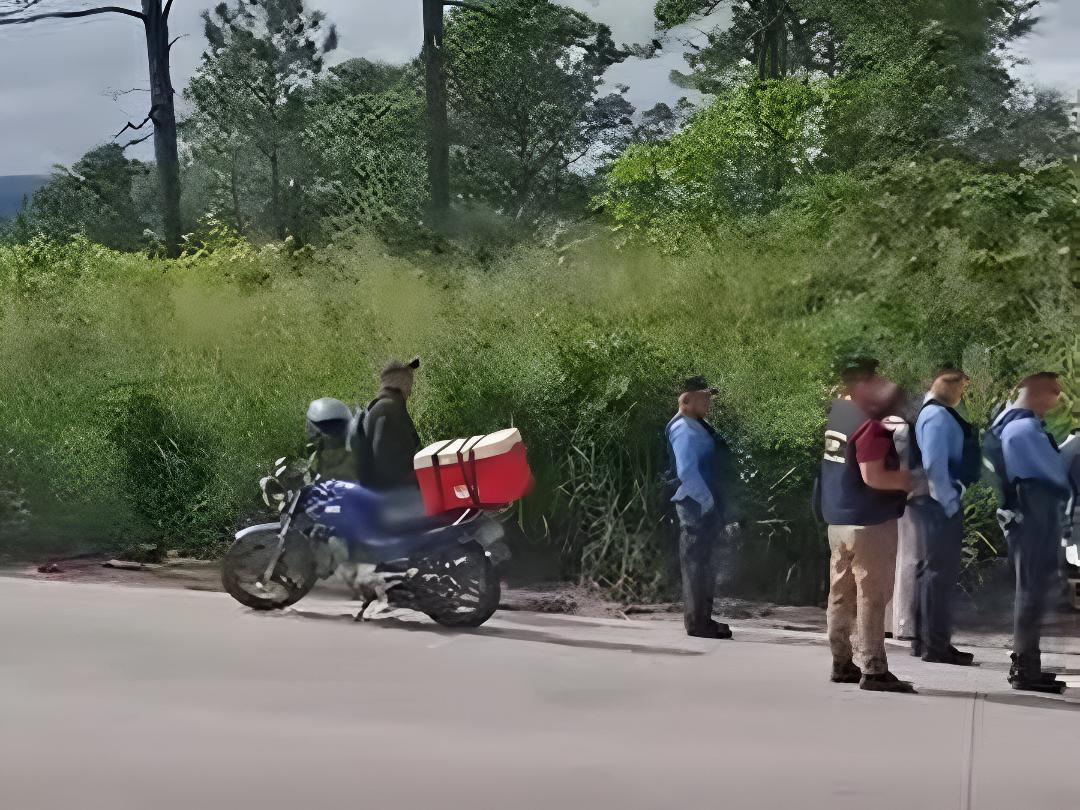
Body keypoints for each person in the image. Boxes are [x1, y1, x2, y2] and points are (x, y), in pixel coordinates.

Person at [819, 359, 915, 692]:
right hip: (869, 522)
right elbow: (873, 475)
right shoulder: (869, 424)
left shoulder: (838, 415)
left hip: (838, 519)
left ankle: (841, 662)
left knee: (840, 593)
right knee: (872, 595)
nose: (883, 384)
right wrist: (912, 481)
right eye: (876, 379)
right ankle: (874, 669)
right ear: (863, 384)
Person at [987, 372, 1072, 694]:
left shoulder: (1013, 423)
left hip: (1026, 516)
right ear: (1036, 391)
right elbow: (1053, 474)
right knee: (1030, 593)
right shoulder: (1022, 428)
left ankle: (1027, 664)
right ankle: (1025, 668)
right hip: (1031, 517)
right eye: (1053, 391)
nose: (1056, 399)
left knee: (1031, 592)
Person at [909, 368, 981, 665]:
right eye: (961, 388)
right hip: (939, 505)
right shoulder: (937, 416)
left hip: (931, 503)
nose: (962, 395)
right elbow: (935, 465)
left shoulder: (933, 413)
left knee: (929, 573)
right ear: (947, 385)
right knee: (939, 575)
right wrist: (950, 502)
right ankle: (935, 646)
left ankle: (924, 642)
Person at [665, 376, 734, 640]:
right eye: (703, 397)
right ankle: (697, 624)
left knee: (704, 564)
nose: (708, 402)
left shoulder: (695, 425)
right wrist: (708, 503)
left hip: (702, 504)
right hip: (695, 506)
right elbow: (686, 471)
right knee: (696, 565)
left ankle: (703, 618)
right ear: (686, 400)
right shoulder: (684, 428)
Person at [359, 357, 422, 492]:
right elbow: (384, 457)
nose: (410, 391)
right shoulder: (388, 409)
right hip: (396, 492)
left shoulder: (381, 406)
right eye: (407, 383)